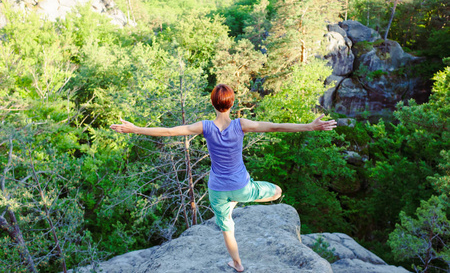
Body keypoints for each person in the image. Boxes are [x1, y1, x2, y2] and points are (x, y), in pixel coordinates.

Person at [110, 84, 337, 272]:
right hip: (242, 187)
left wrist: (135, 129)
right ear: (232, 103)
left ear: (212, 103)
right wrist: (311, 126)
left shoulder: (205, 127)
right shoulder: (241, 125)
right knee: (276, 190)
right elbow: (275, 127)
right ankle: (253, 198)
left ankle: (237, 264)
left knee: (227, 228)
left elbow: (170, 131)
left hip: (218, 190)